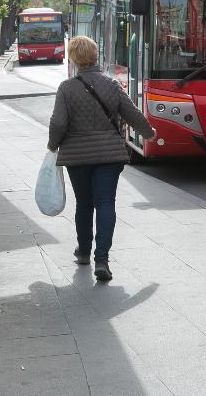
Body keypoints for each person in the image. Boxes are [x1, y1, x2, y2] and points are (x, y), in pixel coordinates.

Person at [49, 35, 154, 281]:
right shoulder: (112, 84)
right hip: (109, 155)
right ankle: (102, 260)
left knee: (84, 204)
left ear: (74, 59)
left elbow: (58, 123)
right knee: (106, 202)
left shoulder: (66, 88)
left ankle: (84, 251)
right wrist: (149, 133)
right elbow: (132, 114)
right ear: (95, 55)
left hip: (77, 157)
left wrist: (52, 146)